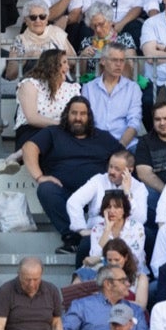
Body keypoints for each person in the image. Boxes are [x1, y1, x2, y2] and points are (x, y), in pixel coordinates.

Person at [24, 97, 129, 252]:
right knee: (46, 189)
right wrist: (39, 177)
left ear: (89, 116)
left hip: (97, 197)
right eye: (74, 113)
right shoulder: (53, 133)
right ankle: (72, 238)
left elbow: (124, 158)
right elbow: (29, 147)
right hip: (63, 194)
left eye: (83, 114)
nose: (78, 118)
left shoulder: (102, 137)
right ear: (67, 114)